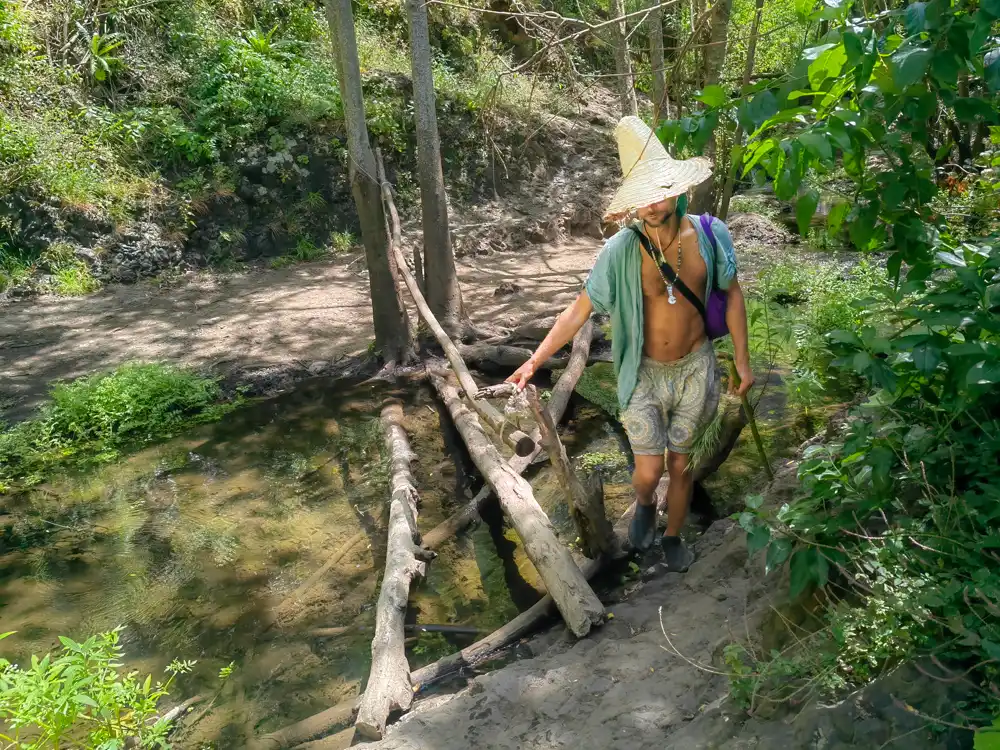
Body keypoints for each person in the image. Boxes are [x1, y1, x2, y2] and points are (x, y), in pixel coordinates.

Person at [506, 116, 753, 572]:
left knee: (680, 465)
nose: (654, 206)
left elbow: (733, 293)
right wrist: (535, 359)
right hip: (641, 372)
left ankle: (674, 535)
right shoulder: (619, 250)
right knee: (648, 471)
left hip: (697, 368)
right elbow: (578, 312)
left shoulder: (711, 235)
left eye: (660, 193)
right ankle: (644, 504)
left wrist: (741, 358)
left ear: (678, 189)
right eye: (643, 199)